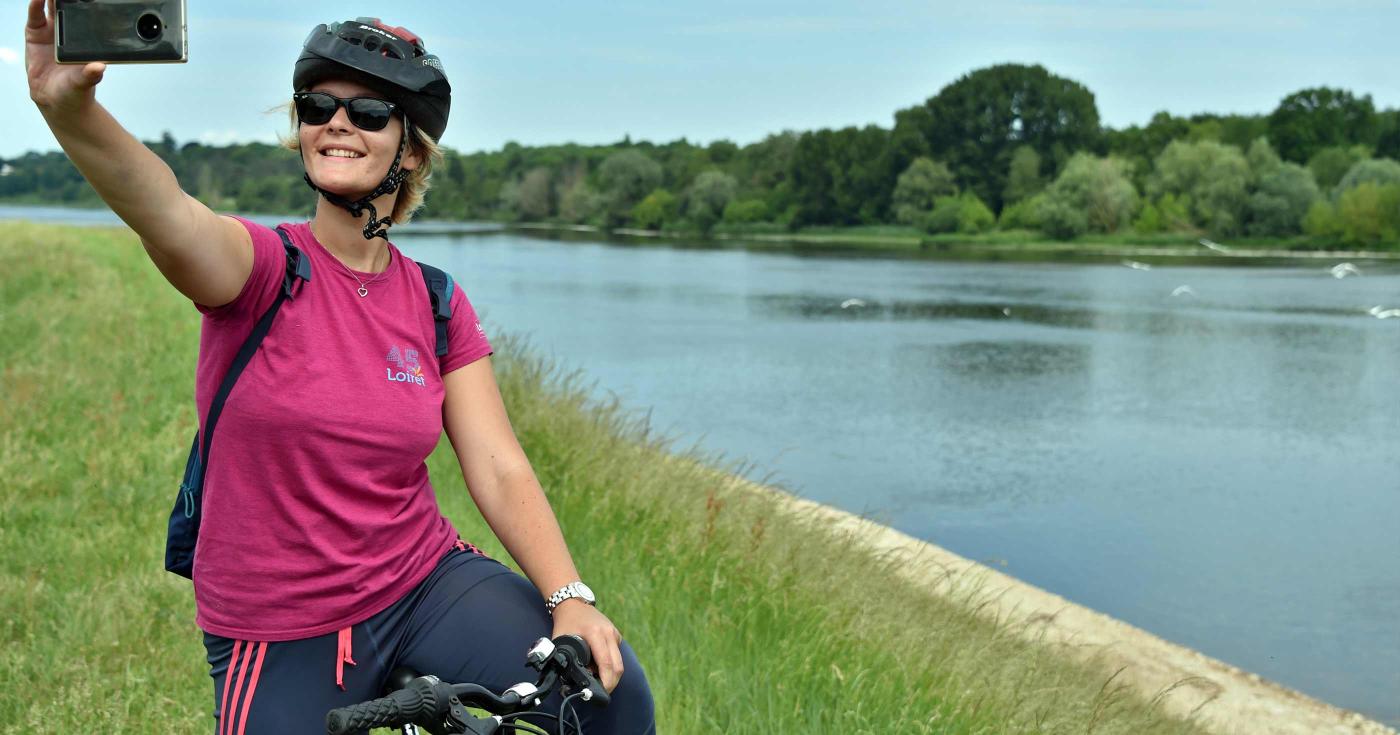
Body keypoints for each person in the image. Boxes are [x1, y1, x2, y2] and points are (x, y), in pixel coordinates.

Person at [24, 3, 655, 732]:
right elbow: (163, 206)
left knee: (607, 694)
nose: (337, 122)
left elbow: (497, 461)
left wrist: (566, 593)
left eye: (370, 112)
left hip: (421, 579)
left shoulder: (435, 299)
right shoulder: (262, 269)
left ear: (411, 150)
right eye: (318, 105)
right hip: (280, 621)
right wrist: (70, 112)